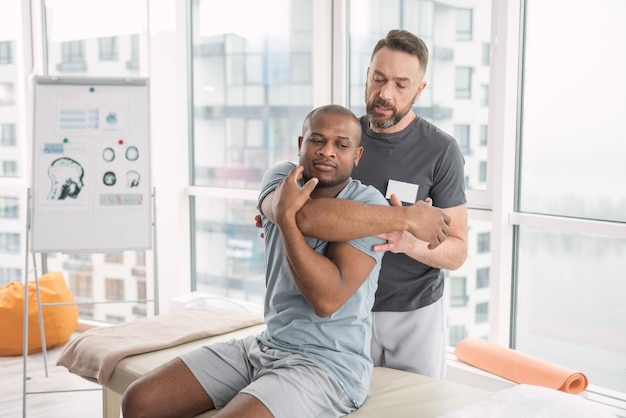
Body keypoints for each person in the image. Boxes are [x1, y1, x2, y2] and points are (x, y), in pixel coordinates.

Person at [121, 104, 451, 418]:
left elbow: (326, 299)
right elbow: (306, 216)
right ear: (300, 144)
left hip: (329, 366)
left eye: (341, 144)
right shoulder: (282, 176)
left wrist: (285, 216)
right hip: (267, 345)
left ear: (357, 155)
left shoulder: (368, 203)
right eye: (317, 140)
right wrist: (403, 216)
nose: (327, 151)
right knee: (139, 401)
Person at [263, 29, 468, 379]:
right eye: (379, 78)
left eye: (401, 85)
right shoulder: (340, 138)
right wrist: (274, 214)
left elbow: (457, 250)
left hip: (413, 312)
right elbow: (301, 204)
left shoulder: (442, 151)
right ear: (367, 75)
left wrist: (409, 243)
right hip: (345, 314)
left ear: (420, 90)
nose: (385, 93)